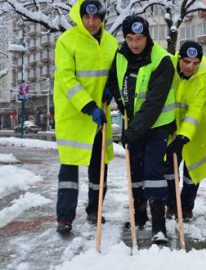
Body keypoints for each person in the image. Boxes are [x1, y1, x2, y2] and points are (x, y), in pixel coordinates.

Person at [106, 15, 175, 243]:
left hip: (157, 125)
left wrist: (132, 132)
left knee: (153, 172)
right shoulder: (120, 55)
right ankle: (138, 217)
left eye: (139, 38)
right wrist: (117, 97)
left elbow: (154, 103)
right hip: (133, 122)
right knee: (134, 171)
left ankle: (159, 227)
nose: (135, 44)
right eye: (130, 38)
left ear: (147, 37)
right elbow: (116, 81)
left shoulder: (162, 60)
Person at [53, 0, 118, 235]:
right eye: (86, 18)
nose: (91, 23)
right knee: (69, 168)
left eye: (95, 18)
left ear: (102, 18)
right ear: (80, 17)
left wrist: (112, 87)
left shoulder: (111, 43)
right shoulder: (67, 41)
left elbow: (114, 72)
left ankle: (94, 210)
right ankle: (65, 216)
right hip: (74, 113)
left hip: (100, 114)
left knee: (99, 166)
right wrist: (89, 106)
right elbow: (67, 80)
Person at [165, 41, 206, 221]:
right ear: (179, 59)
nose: (190, 67)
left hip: (199, 128)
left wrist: (184, 135)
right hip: (172, 127)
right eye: (186, 61)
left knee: (192, 171)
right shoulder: (168, 66)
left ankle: (186, 207)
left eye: (195, 63)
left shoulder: (205, 73)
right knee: (169, 169)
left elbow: (196, 108)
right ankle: (171, 205)